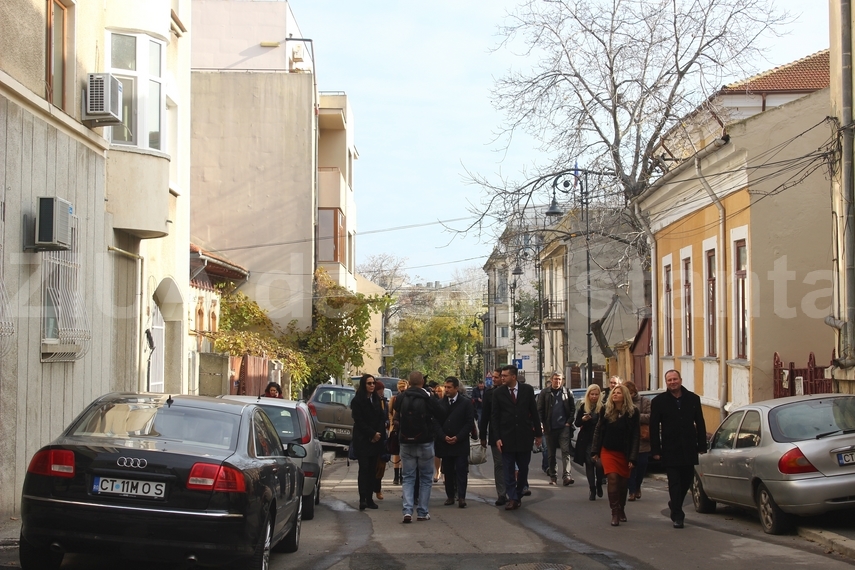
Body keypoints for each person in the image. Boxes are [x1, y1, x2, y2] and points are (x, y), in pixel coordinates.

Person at [650, 369, 708, 529]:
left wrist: (702, 445)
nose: (672, 382)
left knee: (686, 480)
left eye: (675, 379)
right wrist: (655, 450)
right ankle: (677, 515)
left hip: (689, 447)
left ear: (680, 380)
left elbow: (700, 422)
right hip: (670, 449)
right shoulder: (659, 401)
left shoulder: (693, 399)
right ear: (666, 382)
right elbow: (653, 427)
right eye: (669, 380)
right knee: (674, 482)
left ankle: (674, 503)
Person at [393, 371, 446, 523]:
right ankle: (422, 511)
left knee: (408, 477)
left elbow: (396, 412)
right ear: (422, 382)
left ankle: (407, 510)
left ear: (409, 382)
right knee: (426, 478)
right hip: (425, 441)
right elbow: (441, 413)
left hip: (405, 441)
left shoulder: (401, 397)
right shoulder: (428, 397)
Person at [491, 365, 542, 511]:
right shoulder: (498, 393)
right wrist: (497, 437)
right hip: (506, 438)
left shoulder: (527, 390)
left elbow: (534, 412)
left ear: (513, 377)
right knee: (508, 469)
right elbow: (494, 417)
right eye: (501, 376)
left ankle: (518, 494)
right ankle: (513, 497)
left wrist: (538, 434)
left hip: (524, 436)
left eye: (505, 376)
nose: (502, 378)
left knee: (523, 469)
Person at [591, 383, 639, 526]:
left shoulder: (633, 412)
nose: (615, 394)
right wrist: (595, 450)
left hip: (624, 452)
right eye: (614, 392)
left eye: (618, 392)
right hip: (608, 451)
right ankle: (614, 513)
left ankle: (621, 508)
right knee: (612, 478)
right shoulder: (605, 410)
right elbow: (598, 430)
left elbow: (635, 436)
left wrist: (633, 457)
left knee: (623, 484)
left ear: (625, 396)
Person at [435, 377, 475, 508]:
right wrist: (443, 436)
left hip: (460, 443)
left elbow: (469, 423)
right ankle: (450, 496)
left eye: (449, 387)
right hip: (445, 443)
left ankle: (462, 497)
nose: (446, 390)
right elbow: (436, 423)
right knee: (448, 471)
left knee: (461, 470)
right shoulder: (440, 403)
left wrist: (458, 437)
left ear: (456, 388)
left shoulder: (465, 403)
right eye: (445, 387)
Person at [350, 374, 386, 510]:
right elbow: (359, 421)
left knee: (372, 470)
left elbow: (381, 418)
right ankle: (363, 499)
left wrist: (378, 434)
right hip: (363, 439)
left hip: (375, 440)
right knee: (364, 469)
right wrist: (371, 434)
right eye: (369, 383)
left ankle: (370, 499)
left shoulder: (377, 399)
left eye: (373, 383)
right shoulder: (357, 401)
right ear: (363, 385)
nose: (372, 386)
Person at [537, 371, 575, 486]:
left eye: (559, 379)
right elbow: (540, 410)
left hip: (563, 427)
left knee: (565, 451)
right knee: (551, 453)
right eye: (555, 379)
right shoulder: (545, 393)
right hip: (550, 427)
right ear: (551, 379)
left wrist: (568, 422)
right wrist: (541, 423)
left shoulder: (567, 392)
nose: (557, 381)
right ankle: (553, 476)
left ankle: (567, 476)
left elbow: (572, 409)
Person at [479, 369, 507, 506]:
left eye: (496, 377)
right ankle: (502, 493)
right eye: (493, 377)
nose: (494, 379)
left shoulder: (511, 392)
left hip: (511, 434)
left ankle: (516, 489)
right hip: (495, 434)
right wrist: (482, 436)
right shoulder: (489, 393)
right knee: (499, 464)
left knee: (513, 464)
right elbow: (485, 416)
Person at [574, 384, 605, 501]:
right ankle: (592, 489)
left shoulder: (603, 407)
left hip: (599, 440)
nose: (594, 396)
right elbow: (577, 423)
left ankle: (599, 483)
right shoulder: (583, 406)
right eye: (592, 394)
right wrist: (583, 419)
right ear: (588, 395)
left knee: (599, 465)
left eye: (596, 394)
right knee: (589, 464)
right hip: (586, 440)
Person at [624, 381, 650, 501]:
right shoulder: (622, 403)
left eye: (630, 393)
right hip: (627, 440)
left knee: (642, 465)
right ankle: (632, 491)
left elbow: (650, 417)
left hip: (642, 439)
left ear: (634, 392)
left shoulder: (644, 401)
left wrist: (635, 416)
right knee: (630, 467)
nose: (629, 396)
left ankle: (638, 485)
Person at [389, 379, 409, 485]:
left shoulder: (407, 398)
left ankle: (402, 475)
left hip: (404, 427)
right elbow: (390, 412)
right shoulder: (394, 398)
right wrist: (392, 423)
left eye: (403, 386)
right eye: (400, 386)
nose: (402, 388)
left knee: (403, 453)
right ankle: (396, 476)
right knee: (396, 453)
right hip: (395, 428)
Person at [373, 380, 389, 502]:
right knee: (372, 465)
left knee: (381, 465)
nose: (382, 393)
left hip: (382, 437)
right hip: (372, 436)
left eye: (382, 391)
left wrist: (387, 423)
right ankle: (372, 489)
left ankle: (378, 489)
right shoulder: (371, 402)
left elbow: (387, 417)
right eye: (380, 391)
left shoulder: (384, 402)